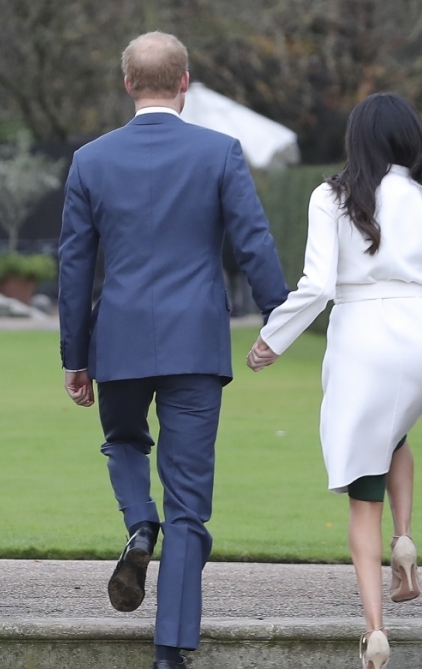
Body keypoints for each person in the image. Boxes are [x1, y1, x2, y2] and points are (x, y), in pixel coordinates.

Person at [58, 32, 290, 669]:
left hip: (119, 339)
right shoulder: (219, 152)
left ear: (128, 83)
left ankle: (139, 522)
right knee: (189, 505)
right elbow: (254, 241)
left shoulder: (90, 160)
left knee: (124, 441)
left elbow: (74, 266)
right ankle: (169, 653)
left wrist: (75, 357)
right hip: (196, 344)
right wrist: (278, 318)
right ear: (184, 81)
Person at [246, 92, 422, 669]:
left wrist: (273, 338)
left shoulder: (332, 196)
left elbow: (317, 286)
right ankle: (406, 539)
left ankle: (375, 630)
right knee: (392, 434)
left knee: (361, 491)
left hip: (362, 340)